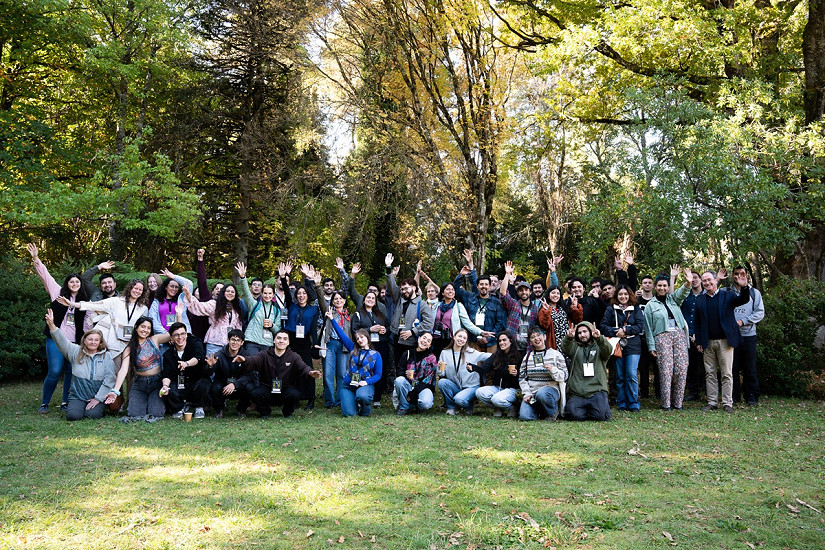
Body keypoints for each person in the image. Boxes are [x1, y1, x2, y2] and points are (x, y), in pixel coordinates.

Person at [27, 243, 89, 414]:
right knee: (54, 371)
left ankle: (65, 402)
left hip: (74, 343)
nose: (74, 283)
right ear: (67, 283)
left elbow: (88, 322)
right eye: (71, 281)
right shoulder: (57, 293)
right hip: (55, 339)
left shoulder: (84, 302)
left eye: (77, 281)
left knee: (70, 371)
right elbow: (45, 276)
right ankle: (44, 403)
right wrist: (36, 258)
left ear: (80, 284)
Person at [694, 270, 751, 413]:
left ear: (715, 280)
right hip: (707, 342)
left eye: (709, 279)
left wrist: (744, 287)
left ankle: (727, 403)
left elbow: (743, 300)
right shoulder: (700, 299)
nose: (707, 283)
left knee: (726, 373)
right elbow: (697, 323)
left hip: (725, 342)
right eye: (704, 281)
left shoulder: (727, 295)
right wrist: (699, 341)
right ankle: (712, 402)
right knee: (710, 373)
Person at [44, 309, 115, 420]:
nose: (93, 342)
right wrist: (52, 325)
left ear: (100, 342)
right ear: (84, 340)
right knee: (73, 416)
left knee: (93, 415)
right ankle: (78, 407)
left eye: (96, 340)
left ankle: (97, 407)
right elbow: (62, 342)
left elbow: (110, 379)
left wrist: (98, 398)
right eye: (90, 339)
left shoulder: (106, 356)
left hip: (97, 396)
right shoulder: (76, 352)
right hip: (78, 396)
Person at [233, 331, 323, 418]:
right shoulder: (265, 354)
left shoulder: (294, 356)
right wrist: (244, 360)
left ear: (288, 342)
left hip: (285, 389)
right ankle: (265, 412)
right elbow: (254, 360)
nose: (281, 341)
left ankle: (287, 412)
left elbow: (303, 367)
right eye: (279, 338)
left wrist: (310, 372)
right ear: (274, 340)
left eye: (284, 339)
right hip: (267, 388)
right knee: (255, 393)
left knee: (295, 394)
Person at [104, 315, 174, 421]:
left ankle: (155, 403)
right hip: (139, 384)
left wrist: (179, 315)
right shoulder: (129, 349)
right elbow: (123, 370)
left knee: (156, 413)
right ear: (136, 327)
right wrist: (115, 391)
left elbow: (172, 333)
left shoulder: (154, 339)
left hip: (157, 383)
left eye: (148, 328)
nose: (145, 330)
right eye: (143, 326)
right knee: (134, 414)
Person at [643, 271, 692, 411]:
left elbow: (683, 292)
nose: (662, 288)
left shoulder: (673, 299)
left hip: (679, 335)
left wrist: (688, 282)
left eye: (665, 285)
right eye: (659, 285)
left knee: (681, 368)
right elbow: (648, 328)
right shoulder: (650, 306)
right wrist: (651, 347)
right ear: (655, 287)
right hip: (661, 337)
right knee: (666, 370)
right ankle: (666, 403)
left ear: (668, 287)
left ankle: (678, 402)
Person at [76, 278, 149, 369]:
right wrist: (73, 304)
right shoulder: (117, 301)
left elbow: (143, 327)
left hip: (130, 343)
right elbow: (96, 305)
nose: (137, 291)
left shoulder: (143, 309)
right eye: (135, 288)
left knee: (128, 371)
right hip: (114, 341)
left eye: (140, 290)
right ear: (130, 288)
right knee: (113, 369)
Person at [279, 262, 321, 409]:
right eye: (299, 293)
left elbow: (314, 328)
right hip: (291, 341)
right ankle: (295, 397)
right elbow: (286, 290)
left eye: (304, 293)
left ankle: (310, 398)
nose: (301, 296)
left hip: (304, 343)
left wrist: (315, 343)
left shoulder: (313, 309)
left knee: (308, 369)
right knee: (291, 369)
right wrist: (284, 277)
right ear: (296, 296)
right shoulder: (291, 306)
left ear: (307, 295)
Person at [327, 311, 383, 417]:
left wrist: (366, 382)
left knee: (363, 396)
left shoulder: (376, 354)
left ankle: (365, 409)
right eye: (357, 339)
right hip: (348, 384)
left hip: (364, 384)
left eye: (362, 337)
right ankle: (353, 405)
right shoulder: (353, 348)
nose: (360, 340)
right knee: (349, 414)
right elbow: (341, 334)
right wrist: (332, 319)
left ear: (367, 337)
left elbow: (378, 374)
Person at [600, 285, 645, 411]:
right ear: (616, 296)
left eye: (625, 294)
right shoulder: (610, 309)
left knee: (631, 374)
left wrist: (625, 330)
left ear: (630, 295)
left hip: (633, 345)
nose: (623, 297)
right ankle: (622, 402)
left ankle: (633, 402)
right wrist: (616, 332)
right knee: (619, 375)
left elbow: (640, 326)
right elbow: (603, 326)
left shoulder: (636, 309)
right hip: (617, 345)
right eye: (620, 294)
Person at [452, 249, 506, 352]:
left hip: (490, 343)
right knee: (472, 362)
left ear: (489, 286)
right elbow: (455, 289)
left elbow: (499, 323)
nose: (483, 286)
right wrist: (461, 275)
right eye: (481, 284)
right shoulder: (469, 297)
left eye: (486, 284)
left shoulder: (496, 302)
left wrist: (488, 338)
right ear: (477, 286)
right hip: (472, 340)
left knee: (491, 362)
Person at [726, 266, 765, 406]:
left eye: (741, 273)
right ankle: (734, 396)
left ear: (746, 275)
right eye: (736, 274)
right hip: (731, 336)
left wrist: (743, 321)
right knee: (732, 368)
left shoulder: (754, 293)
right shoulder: (726, 292)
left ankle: (751, 396)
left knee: (750, 367)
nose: (738, 276)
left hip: (748, 335)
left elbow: (759, 312)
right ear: (732, 275)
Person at [386, 253, 434, 364]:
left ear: (414, 288)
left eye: (406, 288)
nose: (404, 291)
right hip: (396, 339)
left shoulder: (422, 304)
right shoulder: (400, 299)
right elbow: (391, 286)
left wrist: (413, 331)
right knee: (398, 367)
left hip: (411, 343)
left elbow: (429, 323)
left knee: (409, 368)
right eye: (402, 289)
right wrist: (388, 268)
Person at [561, 321, 612, 421]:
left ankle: (595, 409)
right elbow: (565, 348)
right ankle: (588, 410)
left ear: (590, 331)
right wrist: (569, 338)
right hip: (578, 392)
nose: (582, 335)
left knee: (601, 416)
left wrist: (599, 338)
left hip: (597, 390)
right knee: (573, 415)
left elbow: (608, 350)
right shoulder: (575, 347)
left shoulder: (599, 346)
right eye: (579, 333)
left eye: (585, 331)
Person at [350, 290, 392, 407]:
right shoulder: (358, 314)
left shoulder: (380, 314)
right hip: (365, 346)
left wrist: (385, 330)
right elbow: (354, 331)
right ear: (364, 300)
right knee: (363, 369)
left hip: (381, 345)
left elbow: (389, 328)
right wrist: (370, 330)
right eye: (368, 297)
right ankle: (360, 394)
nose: (371, 300)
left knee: (380, 371)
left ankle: (377, 398)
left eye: (373, 298)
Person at [436, 329, 492, 415]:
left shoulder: (471, 352)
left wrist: (502, 354)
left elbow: (487, 356)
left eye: (464, 338)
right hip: (456, 386)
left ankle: (468, 406)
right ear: (454, 337)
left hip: (471, 386)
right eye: (459, 336)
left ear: (466, 341)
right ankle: (452, 407)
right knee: (442, 382)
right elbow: (442, 374)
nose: (461, 339)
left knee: (459, 399)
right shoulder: (445, 353)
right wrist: (439, 368)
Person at [160, 323, 210, 419]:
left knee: (204, 383)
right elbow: (167, 373)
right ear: (171, 338)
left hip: (195, 380)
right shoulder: (168, 354)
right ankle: (179, 408)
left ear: (186, 334)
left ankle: (199, 407)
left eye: (182, 334)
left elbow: (198, 357)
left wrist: (187, 363)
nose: (180, 337)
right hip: (179, 383)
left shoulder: (195, 343)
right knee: (168, 388)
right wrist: (165, 386)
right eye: (176, 335)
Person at [518, 327, 568, 421]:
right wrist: (527, 393)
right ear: (530, 341)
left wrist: (553, 370)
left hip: (550, 390)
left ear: (544, 337)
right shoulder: (527, 357)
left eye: (538, 335)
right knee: (525, 417)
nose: (536, 338)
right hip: (532, 392)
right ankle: (541, 412)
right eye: (533, 337)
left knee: (542, 394)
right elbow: (522, 378)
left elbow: (565, 376)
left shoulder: (556, 354)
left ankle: (552, 413)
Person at [183, 281, 244, 356]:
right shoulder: (215, 304)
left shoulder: (236, 309)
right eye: (228, 291)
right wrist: (189, 295)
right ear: (223, 293)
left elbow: (238, 328)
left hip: (230, 345)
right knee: (211, 363)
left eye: (232, 292)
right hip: (215, 343)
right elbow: (200, 307)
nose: (230, 293)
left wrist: (238, 342)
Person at [474, 331, 524, 417]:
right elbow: (484, 368)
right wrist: (472, 368)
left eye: (504, 340)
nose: (501, 343)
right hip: (497, 387)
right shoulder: (496, 355)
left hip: (512, 389)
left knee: (496, 399)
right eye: (500, 341)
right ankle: (498, 407)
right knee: (479, 392)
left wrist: (516, 374)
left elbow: (523, 376)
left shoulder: (519, 356)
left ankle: (513, 407)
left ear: (511, 341)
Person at [317, 289, 352, 408]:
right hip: (330, 344)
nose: (338, 301)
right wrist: (317, 286)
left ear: (344, 301)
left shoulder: (349, 316)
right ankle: (329, 401)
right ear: (332, 301)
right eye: (336, 299)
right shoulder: (328, 312)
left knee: (342, 374)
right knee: (328, 373)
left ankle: (340, 400)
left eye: (340, 298)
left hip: (343, 346)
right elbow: (321, 300)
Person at [431, 282, 486, 357]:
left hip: (451, 340)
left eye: (452, 289)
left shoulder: (458, 306)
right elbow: (430, 322)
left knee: (450, 360)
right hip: (436, 339)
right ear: (443, 293)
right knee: (436, 360)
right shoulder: (436, 306)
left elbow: (467, 323)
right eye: (448, 289)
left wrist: (480, 332)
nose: (451, 291)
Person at [236, 262, 280, 354]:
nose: (267, 296)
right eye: (265, 293)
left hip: (267, 343)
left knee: (265, 363)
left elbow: (278, 330)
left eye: (270, 293)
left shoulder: (276, 311)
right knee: (252, 362)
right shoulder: (254, 304)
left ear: (273, 295)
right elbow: (246, 292)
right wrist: (243, 277)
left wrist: (272, 325)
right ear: (262, 294)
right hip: (252, 341)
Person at [207, 329, 252, 418]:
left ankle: (241, 409)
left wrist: (235, 384)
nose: (235, 343)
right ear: (228, 340)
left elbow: (248, 375)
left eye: (238, 340)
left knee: (250, 387)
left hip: (239, 384)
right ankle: (219, 409)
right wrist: (210, 366)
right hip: (223, 384)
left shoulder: (246, 356)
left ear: (242, 343)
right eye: (233, 340)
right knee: (215, 387)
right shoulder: (219, 355)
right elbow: (209, 373)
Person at [394, 332, 438, 415]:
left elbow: (428, 381)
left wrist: (413, 394)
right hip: (408, 384)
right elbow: (400, 370)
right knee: (399, 380)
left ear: (429, 345)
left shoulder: (432, 358)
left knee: (426, 403)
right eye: (424, 338)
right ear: (419, 339)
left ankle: (416, 406)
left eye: (428, 341)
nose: (425, 341)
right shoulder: (407, 353)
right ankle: (404, 407)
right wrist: (405, 374)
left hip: (423, 387)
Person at [499, 260, 539, 351]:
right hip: (513, 346)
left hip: (529, 346)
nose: (524, 292)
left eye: (526, 290)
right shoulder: (513, 304)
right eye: (521, 290)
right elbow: (502, 292)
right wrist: (507, 274)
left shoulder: (535, 309)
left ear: (530, 292)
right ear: (517, 292)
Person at [679, 269, 705, 401]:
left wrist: (699, 335)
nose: (694, 280)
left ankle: (706, 390)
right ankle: (693, 391)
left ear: (700, 280)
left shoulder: (706, 294)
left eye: (696, 277)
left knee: (705, 365)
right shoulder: (685, 295)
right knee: (690, 365)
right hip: (687, 336)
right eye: (691, 277)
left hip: (703, 335)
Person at [538, 285, 582, 354]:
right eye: (553, 293)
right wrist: (546, 311)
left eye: (558, 293)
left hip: (568, 341)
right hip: (554, 343)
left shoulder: (564, 308)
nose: (555, 295)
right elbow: (544, 325)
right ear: (548, 295)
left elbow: (577, 320)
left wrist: (575, 306)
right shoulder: (545, 309)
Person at [149, 269, 194, 336]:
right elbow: (153, 319)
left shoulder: (181, 299)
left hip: (181, 337)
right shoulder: (157, 301)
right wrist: (166, 334)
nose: (174, 289)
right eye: (172, 286)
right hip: (163, 337)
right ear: (166, 287)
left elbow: (189, 284)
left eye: (176, 287)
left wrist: (173, 277)